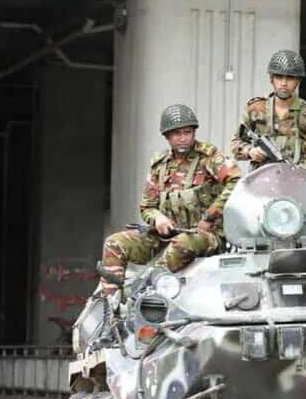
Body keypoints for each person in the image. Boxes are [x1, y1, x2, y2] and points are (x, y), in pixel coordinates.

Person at [96, 104, 242, 296]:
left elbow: (236, 181)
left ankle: (142, 291)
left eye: (187, 132)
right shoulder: (160, 165)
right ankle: (112, 301)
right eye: (176, 134)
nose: (183, 138)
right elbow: (147, 206)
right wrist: (157, 219)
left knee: (182, 243)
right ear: (167, 136)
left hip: (206, 237)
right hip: (166, 236)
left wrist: (209, 216)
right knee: (114, 243)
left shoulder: (209, 157)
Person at [228, 49, 306, 174]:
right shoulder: (256, 108)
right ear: (271, 79)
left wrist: (293, 172)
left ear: (298, 81)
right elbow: (236, 142)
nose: (284, 83)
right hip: (260, 179)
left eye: (290, 78)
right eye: (279, 77)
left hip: (295, 180)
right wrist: (250, 151)